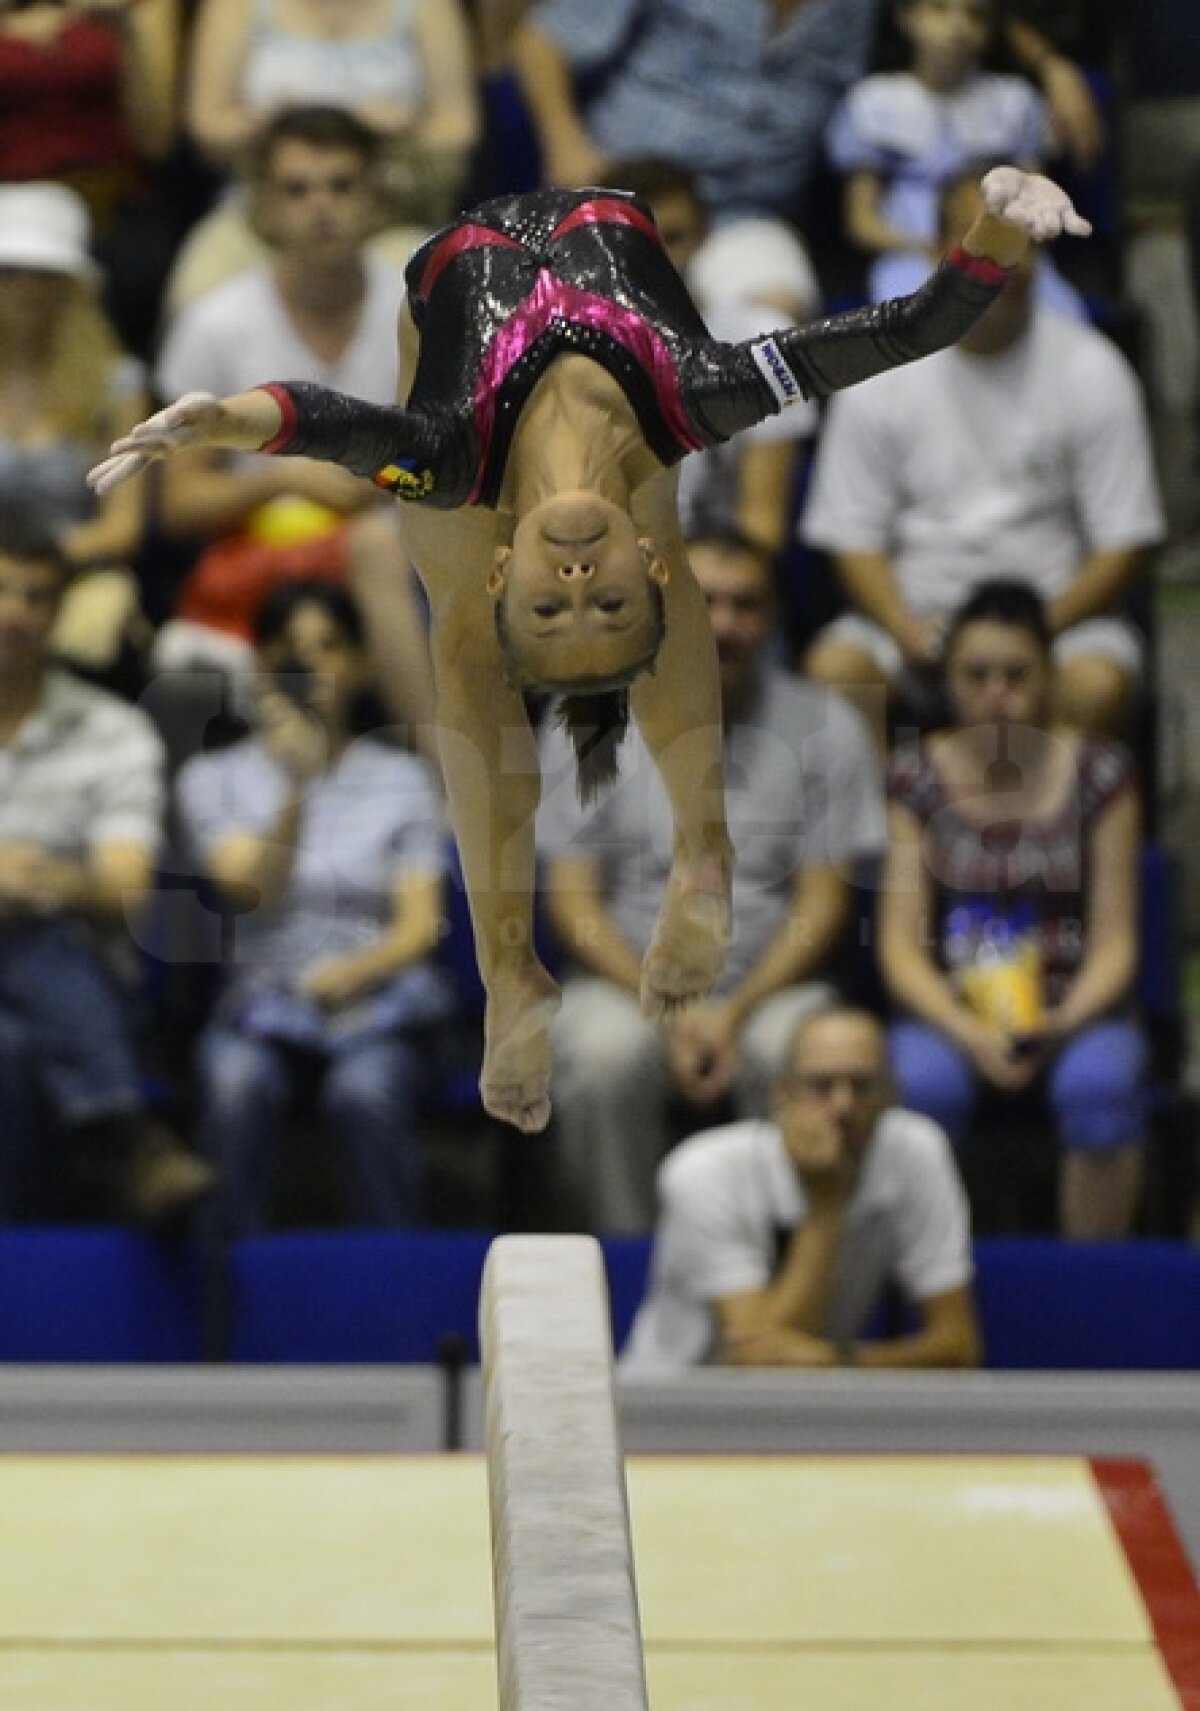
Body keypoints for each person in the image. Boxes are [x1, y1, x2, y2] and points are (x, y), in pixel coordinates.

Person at [88, 164, 1091, 1133]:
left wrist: (215, 419)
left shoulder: (445, 458)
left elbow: (319, 422)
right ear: (638, 564)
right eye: (605, 600)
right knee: (647, 499)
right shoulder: (700, 394)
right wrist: (996, 227)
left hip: (447, 322)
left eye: (550, 607)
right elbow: (912, 327)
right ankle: (700, 855)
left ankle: (508, 967)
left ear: (505, 571)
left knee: (464, 648)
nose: (574, 586)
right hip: (626, 323)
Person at [538, 529, 883, 1232]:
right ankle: (628, 1266)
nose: (724, 623)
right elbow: (572, 905)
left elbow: (822, 902)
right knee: (601, 1057)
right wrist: (668, 1007)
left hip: (772, 983)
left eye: (746, 605)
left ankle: (770, 1274)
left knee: (798, 1053)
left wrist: (736, 1008)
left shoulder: (825, 725)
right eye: (706, 601)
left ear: (774, 619)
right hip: (625, 981)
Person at [803, 170, 1164, 750]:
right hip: (913, 627)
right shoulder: (880, 367)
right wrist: (906, 629)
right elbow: (850, 536)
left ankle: (1055, 840)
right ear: (942, 249)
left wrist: (1033, 633)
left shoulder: (1092, 369)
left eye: (1018, 235)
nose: (1001, 256)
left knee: (1095, 684)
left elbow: (1125, 542)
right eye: (982, 234)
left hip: (1052, 625)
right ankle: (882, 841)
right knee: (836, 673)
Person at [151, 104, 435, 750]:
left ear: (376, 198)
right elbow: (177, 505)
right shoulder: (215, 325)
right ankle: (448, 782)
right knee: (373, 545)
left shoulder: (420, 314)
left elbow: (451, 459)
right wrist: (286, 480)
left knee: (380, 541)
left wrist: (371, 479)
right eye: (297, 188)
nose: (321, 207)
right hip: (266, 552)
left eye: (341, 185)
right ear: (265, 207)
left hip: (407, 537)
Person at [175, 576, 450, 1235]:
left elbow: (418, 926)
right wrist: (296, 787)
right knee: (234, 1084)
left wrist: (354, 973)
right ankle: (224, 1294)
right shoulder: (212, 777)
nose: (312, 665)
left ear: (358, 662)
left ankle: (391, 1287)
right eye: (289, 648)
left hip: (374, 1002)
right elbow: (252, 890)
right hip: (261, 1005)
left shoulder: (402, 778)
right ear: (263, 665)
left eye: (329, 646)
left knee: (365, 1092)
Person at [877, 580, 1146, 1238]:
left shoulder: (1102, 771)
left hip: (1073, 1006)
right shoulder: (915, 776)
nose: (996, 693)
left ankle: (1092, 1287)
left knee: (1102, 1087)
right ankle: (934, 1292)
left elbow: (1117, 941)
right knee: (919, 1087)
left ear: (1051, 676)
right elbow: (899, 947)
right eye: (976, 675)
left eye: (1016, 674)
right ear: (947, 680)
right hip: (952, 1010)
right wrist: (970, 1030)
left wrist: (1056, 1022)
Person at [0, 501, 215, 1226]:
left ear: (57, 612)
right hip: (68, 991)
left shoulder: (113, 730)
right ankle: (128, 1138)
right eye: (2, 591)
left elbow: (127, 886)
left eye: (35, 596)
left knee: (14, 1020)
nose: (17, 613)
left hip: (87, 979)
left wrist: (51, 883)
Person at [622, 1006, 980, 1371]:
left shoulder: (917, 1150)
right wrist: (825, 1202)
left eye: (862, 1086)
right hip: (672, 1404)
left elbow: (958, 1346)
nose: (842, 1105)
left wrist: (839, 1361)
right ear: (782, 1097)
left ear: (892, 1094)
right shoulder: (702, 1170)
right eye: (821, 1086)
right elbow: (758, 1365)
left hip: (822, 1404)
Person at [170, 0, 480, 310]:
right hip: (265, 212)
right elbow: (207, 124)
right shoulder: (234, 6)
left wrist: (402, 128)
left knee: (436, 300)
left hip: (389, 213)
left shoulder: (429, 7)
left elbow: (458, 128)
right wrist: (284, 124)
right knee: (198, 290)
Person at [610, 157, 819, 557]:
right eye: (636, 240)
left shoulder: (758, 341)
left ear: (704, 237)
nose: (656, 258)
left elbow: (762, 523)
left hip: (715, 576)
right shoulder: (555, 349)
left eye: (673, 237)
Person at [825, 0, 1086, 320]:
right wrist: (933, 250)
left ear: (991, 30)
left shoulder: (1015, 102)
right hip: (911, 255)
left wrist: (998, 250)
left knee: (1060, 320)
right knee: (920, 327)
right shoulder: (872, 101)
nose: (957, 26)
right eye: (938, 9)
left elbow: (1037, 208)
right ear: (906, 16)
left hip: (1004, 253)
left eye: (975, 15)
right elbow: (861, 223)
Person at [0, 181, 152, 690]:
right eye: (9, 273)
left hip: (78, 575)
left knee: (95, 623)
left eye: (42, 274)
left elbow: (123, 525)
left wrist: (35, 571)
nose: (25, 288)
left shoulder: (117, 383)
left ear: (72, 284)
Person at [0, 0, 183, 357]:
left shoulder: (134, 8)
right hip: (7, 200)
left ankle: (128, 396)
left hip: (105, 200)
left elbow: (155, 140)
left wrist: (129, 30)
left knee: (140, 271)